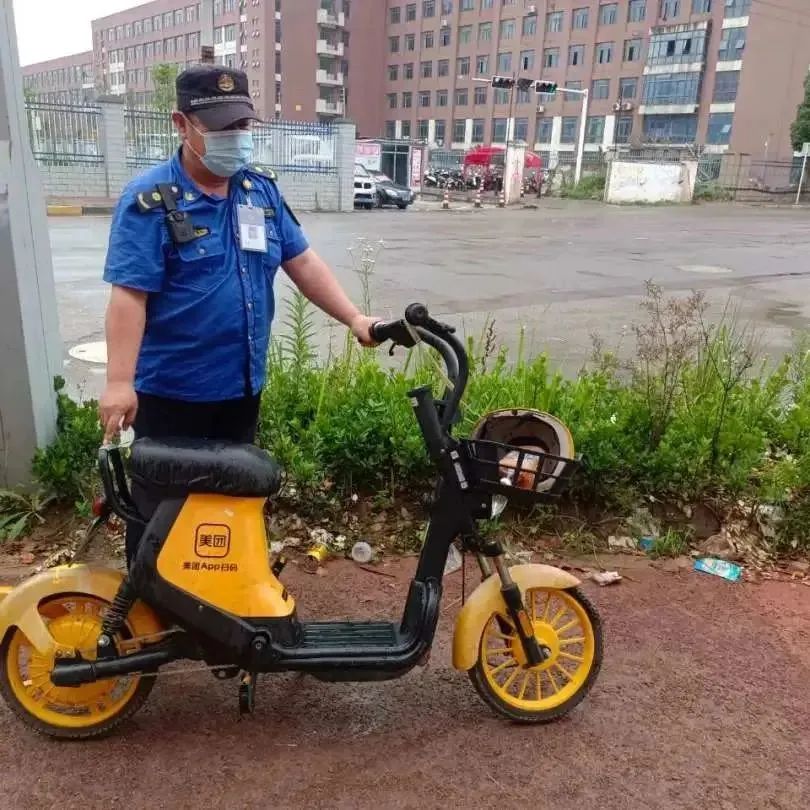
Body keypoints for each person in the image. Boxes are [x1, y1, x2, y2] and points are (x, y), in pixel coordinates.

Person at [99, 65, 377, 565]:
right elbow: (129, 296)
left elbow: (302, 262)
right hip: (172, 395)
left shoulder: (259, 191)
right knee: (161, 514)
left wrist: (354, 318)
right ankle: (149, 601)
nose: (236, 136)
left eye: (243, 125)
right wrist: (119, 382)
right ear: (181, 125)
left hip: (240, 389)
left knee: (229, 507)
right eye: (221, 126)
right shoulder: (150, 201)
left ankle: (217, 598)